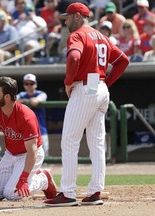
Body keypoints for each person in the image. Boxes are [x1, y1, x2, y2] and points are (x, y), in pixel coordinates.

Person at [44, 3, 129, 207]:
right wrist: (105, 84)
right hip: (99, 88)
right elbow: (123, 60)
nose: (65, 22)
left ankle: (68, 192)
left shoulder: (78, 35)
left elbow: (74, 57)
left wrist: (67, 82)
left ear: (78, 16)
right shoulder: (102, 36)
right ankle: (95, 191)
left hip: (85, 87)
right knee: (97, 144)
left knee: (70, 141)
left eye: (68, 17)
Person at [0, 76, 57, 201]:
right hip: (10, 153)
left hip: (29, 154)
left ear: (7, 97)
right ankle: (19, 176)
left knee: (11, 194)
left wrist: (23, 179)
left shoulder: (26, 116)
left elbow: (32, 151)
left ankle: (44, 179)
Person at [17, 73, 49, 156]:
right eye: (26, 84)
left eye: (31, 83)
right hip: (25, 132)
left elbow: (35, 102)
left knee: (44, 157)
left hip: (40, 130)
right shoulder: (21, 95)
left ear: (36, 84)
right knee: (26, 158)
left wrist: (25, 100)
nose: (29, 86)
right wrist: (26, 100)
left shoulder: (41, 93)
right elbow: (12, 101)